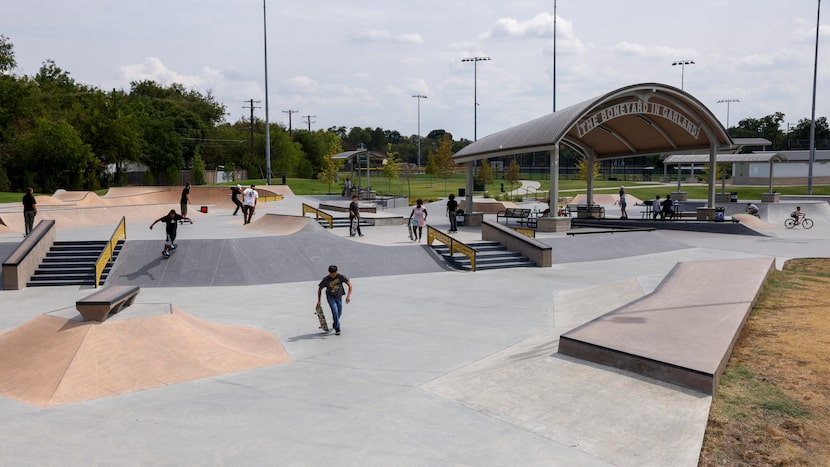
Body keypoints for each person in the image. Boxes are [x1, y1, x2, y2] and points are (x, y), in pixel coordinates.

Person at [317, 265, 352, 335]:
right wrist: (319, 300)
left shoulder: (341, 277)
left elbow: (350, 285)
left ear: (336, 272)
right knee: (335, 311)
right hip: (330, 297)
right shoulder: (326, 279)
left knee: (339, 313)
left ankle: (335, 323)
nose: (332, 275)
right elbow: (320, 289)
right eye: (330, 274)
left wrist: (348, 296)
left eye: (333, 274)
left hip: (339, 297)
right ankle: (337, 328)